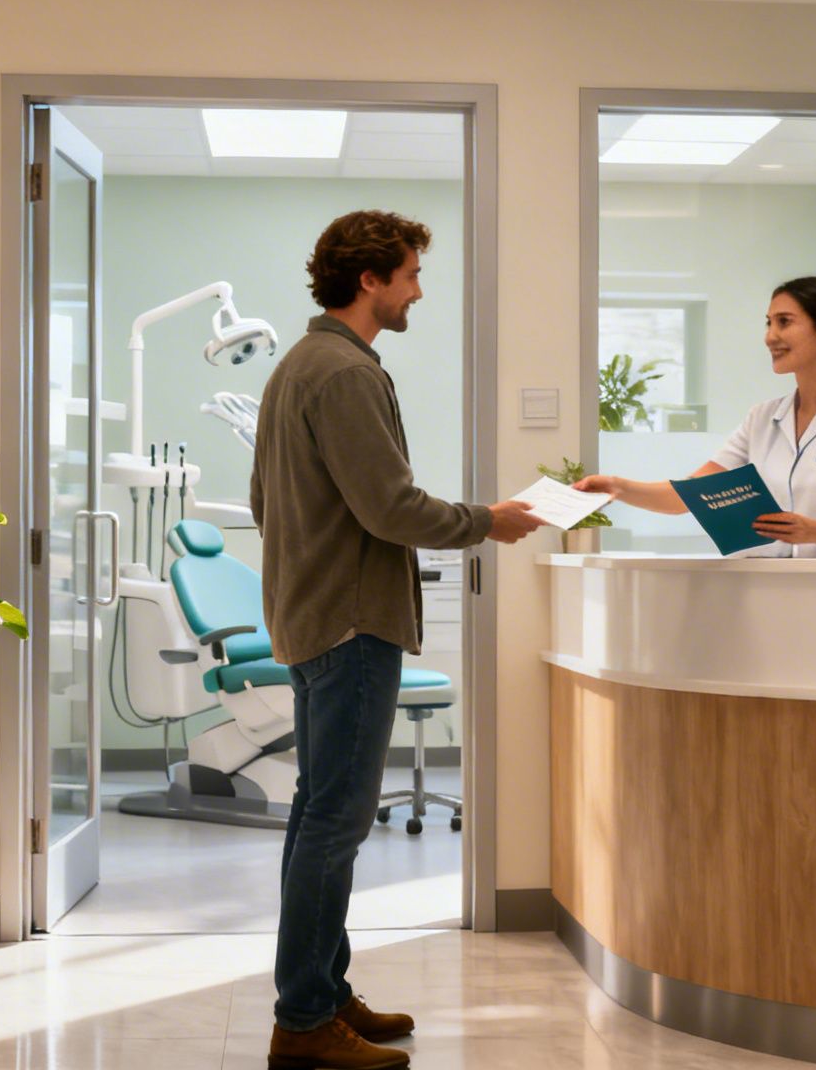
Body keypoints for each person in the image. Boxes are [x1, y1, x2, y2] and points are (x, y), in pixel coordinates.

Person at [251, 210, 545, 1070]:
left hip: (315, 618)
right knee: (334, 823)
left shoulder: (301, 367)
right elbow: (388, 506)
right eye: (411, 273)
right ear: (370, 277)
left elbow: (269, 504)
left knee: (319, 815)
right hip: (350, 623)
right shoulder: (342, 373)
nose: (419, 288)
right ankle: (303, 1023)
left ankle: (326, 992)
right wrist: (488, 521)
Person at [577, 276, 816, 557]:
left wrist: (813, 530)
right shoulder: (762, 419)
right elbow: (689, 496)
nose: (771, 336)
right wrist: (618, 487)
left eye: (785, 321)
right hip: (763, 590)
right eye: (769, 323)